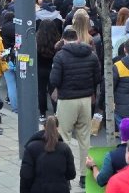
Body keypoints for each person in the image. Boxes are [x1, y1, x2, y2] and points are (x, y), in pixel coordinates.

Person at [49, 27, 102, 190]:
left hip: (67, 100)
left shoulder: (60, 56)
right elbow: (97, 78)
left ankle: (65, 176)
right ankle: (84, 176)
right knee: (84, 138)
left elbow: (54, 80)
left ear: (64, 40)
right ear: (78, 38)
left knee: (63, 137)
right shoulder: (91, 55)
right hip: (86, 99)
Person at [20, 114, 76, 193]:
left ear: (43, 127)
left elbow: (26, 176)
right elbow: (71, 174)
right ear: (57, 128)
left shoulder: (31, 147)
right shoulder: (65, 148)